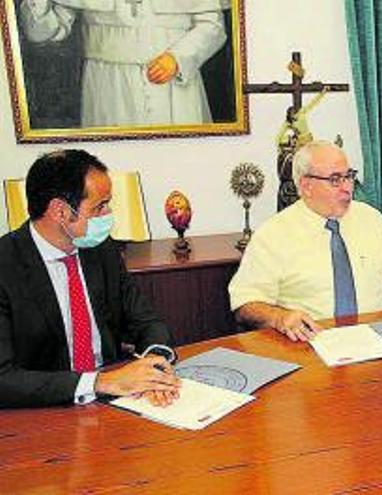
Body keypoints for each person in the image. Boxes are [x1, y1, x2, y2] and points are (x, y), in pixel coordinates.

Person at [0, 150, 180, 409]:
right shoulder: (6, 266)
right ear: (60, 212)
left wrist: (154, 363)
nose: (108, 214)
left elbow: (146, 321)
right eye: (99, 206)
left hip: (116, 401)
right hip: (44, 410)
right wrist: (99, 382)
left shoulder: (101, 249)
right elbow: (4, 379)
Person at [228, 141, 382, 342]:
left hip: (376, 340)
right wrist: (280, 318)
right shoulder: (273, 235)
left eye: (349, 176)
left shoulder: (371, 219)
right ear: (306, 186)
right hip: (309, 343)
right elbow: (246, 302)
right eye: (335, 179)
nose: (347, 187)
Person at [19, 0, 228, 127]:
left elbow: (213, 27)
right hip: (108, 84)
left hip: (174, 83)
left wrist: (178, 58)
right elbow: (44, 33)